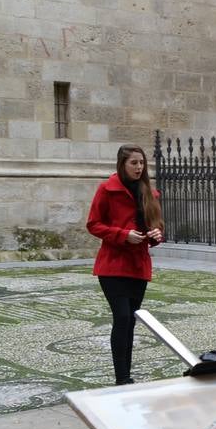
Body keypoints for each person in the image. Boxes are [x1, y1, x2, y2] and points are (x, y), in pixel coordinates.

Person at [87, 144, 164, 385]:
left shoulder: (149, 193)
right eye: (134, 163)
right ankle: (121, 378)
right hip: (112, 266)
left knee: (130, 321)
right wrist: (123, 234)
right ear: (122, 164)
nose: (139, 167)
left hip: (138, 266)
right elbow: (93, 224)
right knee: (121, 318)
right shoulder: (106, 189)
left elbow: (157, 226)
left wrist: (156, 236)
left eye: (141, 163)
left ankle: (126, 375)